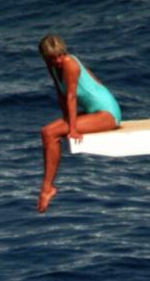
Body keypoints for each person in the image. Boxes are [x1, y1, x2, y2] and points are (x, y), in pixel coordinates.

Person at [36, 34, 122, 213]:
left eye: (60, 55)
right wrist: (66, 121)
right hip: (93, 112)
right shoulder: (52, 66)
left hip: (107, 113)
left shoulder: (69, 63)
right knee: (48, 132)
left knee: (49, 132)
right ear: (46, 58)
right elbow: (61, 95)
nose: (58, 60)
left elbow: (71, 96)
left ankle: (47, 189)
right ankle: (46, 188)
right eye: (53, 58)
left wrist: (72, 129)